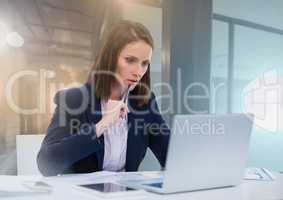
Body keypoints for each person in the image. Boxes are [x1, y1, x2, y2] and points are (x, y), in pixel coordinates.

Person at [37, 20, 171, 176]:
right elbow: (46, 164)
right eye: (130, 60)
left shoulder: (145, 103)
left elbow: (171, 157)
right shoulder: (74, 99)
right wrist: (102, 125)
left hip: (127, 194)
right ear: (110, 58)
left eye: (144, 63)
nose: (138, 71)